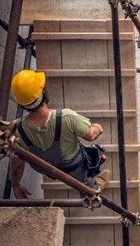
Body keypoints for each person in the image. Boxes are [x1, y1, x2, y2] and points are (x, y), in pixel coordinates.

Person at [8, 69, 110, 199]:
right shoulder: (67, 117)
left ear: (21, 103)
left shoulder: (16, 130)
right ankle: (92, 189)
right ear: (43, 92)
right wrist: (97, 128)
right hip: (74, 169)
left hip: (47, 170)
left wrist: (16, 186)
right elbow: (90, 136)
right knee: (86, 172)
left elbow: (17, 165)